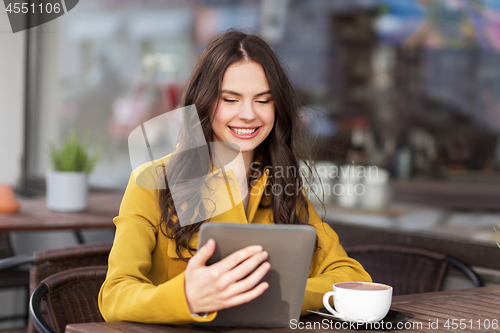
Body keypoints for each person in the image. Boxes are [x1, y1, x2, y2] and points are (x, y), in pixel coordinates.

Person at [98, 29, 371, 325]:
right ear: (204, 102)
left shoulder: (282, 185)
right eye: (230, 99)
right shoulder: (151, 183)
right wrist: (186, 298)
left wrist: (275, 294)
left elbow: (353, 278)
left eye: (263, 100)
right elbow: (114, 296)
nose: (248, 114)